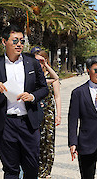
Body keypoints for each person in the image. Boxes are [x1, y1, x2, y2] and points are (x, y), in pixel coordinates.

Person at [0, 25, 49, 178]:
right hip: (5, 124)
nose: (19, 44)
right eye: (15, 40)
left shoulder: (32, 63)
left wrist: (33, 96)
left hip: (28, 123)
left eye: (22, 41)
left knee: (32, 167)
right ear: (4, 41)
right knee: (11, 170)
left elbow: (44, 88)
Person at [33, 49, 61, 178]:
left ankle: (46, 171)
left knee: (48, 142)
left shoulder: (49, 77)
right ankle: (36, 169)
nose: (39, 63)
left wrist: (58, 115)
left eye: (41, 60)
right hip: (34, 112)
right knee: (37, 141)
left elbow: (57, 96)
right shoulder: (32, 76)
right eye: (36, 60)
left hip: (49, 113)